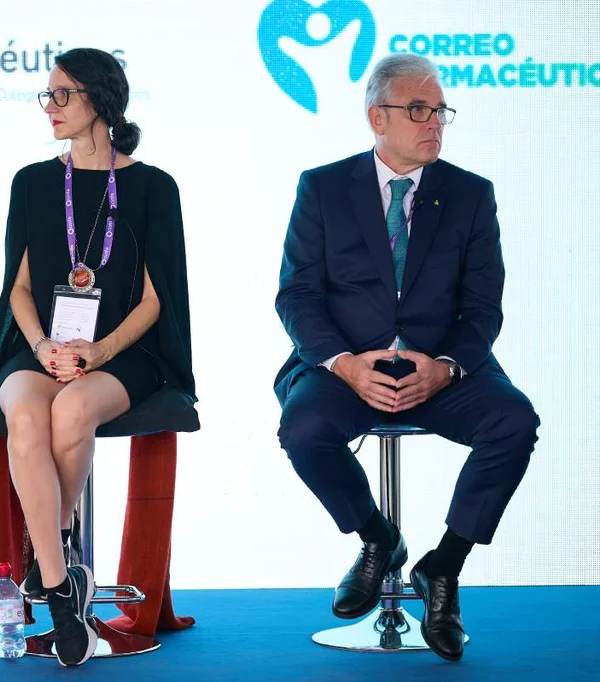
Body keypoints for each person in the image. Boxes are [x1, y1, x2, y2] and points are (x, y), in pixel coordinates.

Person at [274, 53, 539, 661]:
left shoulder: (471, 195)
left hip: (442, 364)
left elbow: (484, 306)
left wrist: (444, 367)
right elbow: (297, 294)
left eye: (440, 111)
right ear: (377, 117)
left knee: (515, 422)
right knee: (303, 426)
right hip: (347, 364)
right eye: (418, 110)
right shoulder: (323, 187)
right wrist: (343, 362)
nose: (434, 123)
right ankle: (378, 539)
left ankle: (444, 567)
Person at [0, 48, 194, 667]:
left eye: (62, 95)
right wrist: (41, 345)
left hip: (125, 352)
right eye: (48, 95)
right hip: (38, 345)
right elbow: (17, 287)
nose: (50, 108)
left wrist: (97, 352)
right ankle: (63, 591)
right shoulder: (33, 182)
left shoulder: (153, 187)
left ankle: (46, 555)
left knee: (71, 412)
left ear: (100, 100)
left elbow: (155, 298)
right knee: (26, 414)